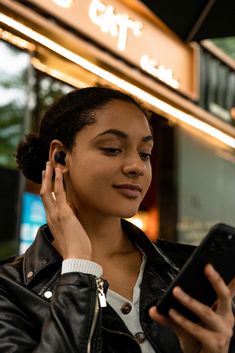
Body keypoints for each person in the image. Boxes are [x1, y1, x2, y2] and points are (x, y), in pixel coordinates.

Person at [0, 86, 234, 353]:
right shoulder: (9, 289)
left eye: (145, 153)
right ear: (59, 157)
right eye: (112, 149)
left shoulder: (186, 272)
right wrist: (78, 266)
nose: (136, 166)